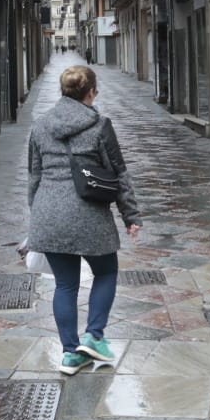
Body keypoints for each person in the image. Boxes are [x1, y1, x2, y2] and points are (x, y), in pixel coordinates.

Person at [22, 65, 141, 374]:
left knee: (65, 285)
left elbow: (34, 176)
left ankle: (71, 353)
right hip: (88, 213)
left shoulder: (40, 126)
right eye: (95, 91)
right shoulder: (100, 126)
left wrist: (37, 217)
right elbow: (119, 173)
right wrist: (130, 215)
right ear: (90, 93)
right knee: (106, 272)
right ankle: (95, 336)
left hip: (48, 212)